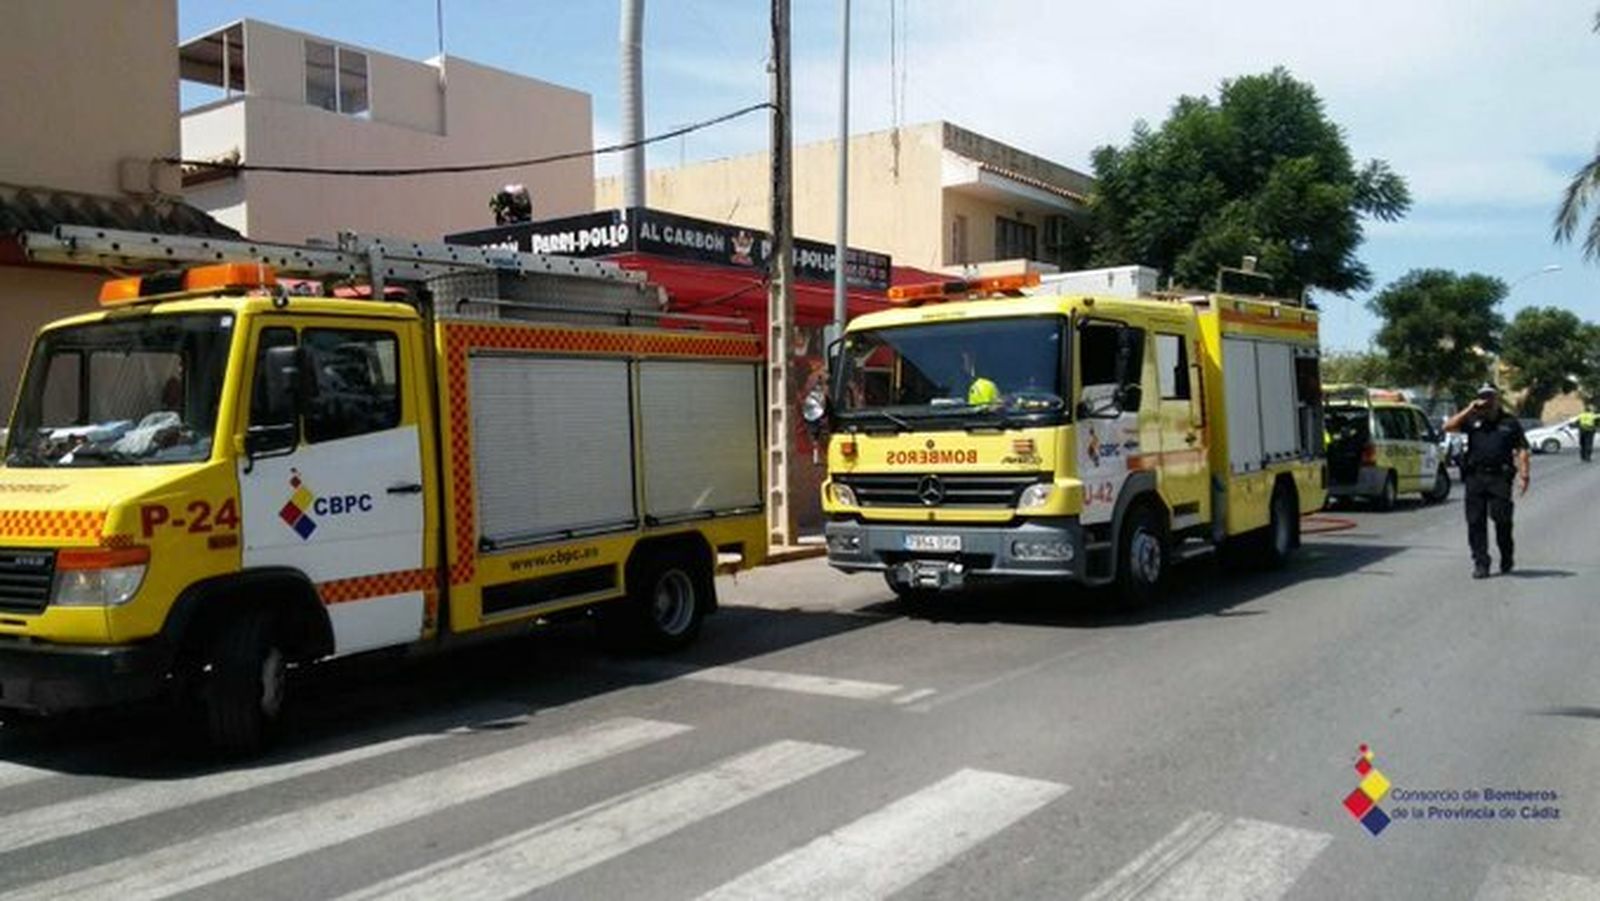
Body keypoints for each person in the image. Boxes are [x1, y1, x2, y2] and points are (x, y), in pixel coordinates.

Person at [1443, 384, 1530, 579]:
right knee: (1475, 522)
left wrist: (1524, 475)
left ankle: (1507, 555)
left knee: (1502, 519)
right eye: (1483, 397)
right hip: (1475, 477)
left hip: (1500, 478)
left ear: (1497, 398)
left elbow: (1522, 449)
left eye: (1490, 397)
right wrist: (1469, 409)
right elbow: (1447, 426)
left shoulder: (1510, 422)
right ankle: (1481, 563)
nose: (1486, 401)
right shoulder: (1472, 419)